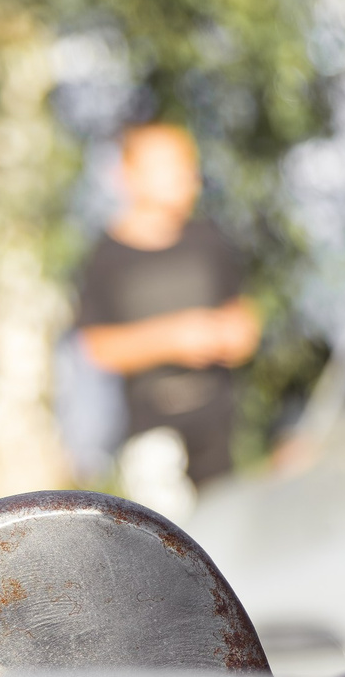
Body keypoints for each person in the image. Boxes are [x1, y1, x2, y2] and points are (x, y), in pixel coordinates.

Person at [73, 124, 261, 491]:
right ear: (127, 176)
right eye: (169, 167)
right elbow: (97, 348)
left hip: (219, 431)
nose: (185, 177)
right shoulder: (105, 257)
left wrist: (229, 336)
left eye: (188, 166)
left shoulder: (210, 239)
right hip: (151, 438)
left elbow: (244, 322)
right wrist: (174, 338)